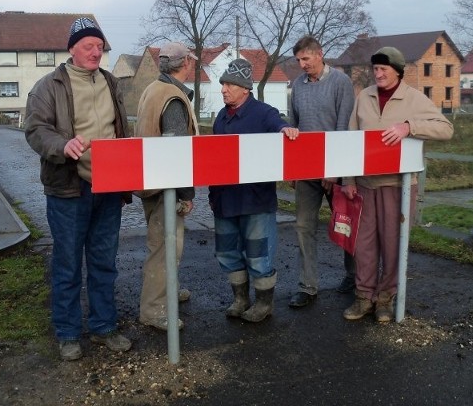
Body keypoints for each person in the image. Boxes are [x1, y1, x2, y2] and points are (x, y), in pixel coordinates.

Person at [25, 17, 132, 360]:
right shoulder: (48, 86)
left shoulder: (112, 83)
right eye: (88, 46)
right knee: (68, 264)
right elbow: (35, 130)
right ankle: (68, 332)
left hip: (109, 187)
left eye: (100, 46)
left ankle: (103, 326)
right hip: (69, 189)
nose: (96, 52)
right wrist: (62, 145)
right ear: (72, 48)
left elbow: (121, 130)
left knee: (104, 262)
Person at [341, 46, 453, 323]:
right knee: (363, 244)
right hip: (366, 184)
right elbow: (351, 138)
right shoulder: (363, 97)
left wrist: (409, 126)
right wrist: (348, 179)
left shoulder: (414, 99)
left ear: (398, 71)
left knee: (393, 243)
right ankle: (364, 296)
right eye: (375, 69)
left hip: (398, 186)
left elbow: (445, 128)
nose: (377, 74)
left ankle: (385, 298)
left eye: (383, 69)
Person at [209, 58, 299, 323]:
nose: (223, 89)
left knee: (259, 254)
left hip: (255, 199)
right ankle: (240, 298)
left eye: (229, 84)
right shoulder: (221, 118)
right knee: (227, 251)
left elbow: (279, 124)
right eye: (222, 84)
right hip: (225, 199)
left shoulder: (263, 112)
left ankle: (263, 304)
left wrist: (286, 129)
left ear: (245, 88)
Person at [287, 35, 356, 308]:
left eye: (306, 58)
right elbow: (293, 127)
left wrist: (334, 170)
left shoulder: (341, 83)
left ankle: (354, 277)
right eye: (298, 60)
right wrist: (292, 168)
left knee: (345, 226)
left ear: (320, 54)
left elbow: (344, 128)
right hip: (306, 169)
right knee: (304, 227)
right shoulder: (297, 86)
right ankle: (308, 286)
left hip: (335, 171)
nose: (302, 64)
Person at [135, 42, 199, 331]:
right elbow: (178, 152)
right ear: (185, 62)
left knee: (166, 244)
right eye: (192, 60)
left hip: (151, 180)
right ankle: (155, 309)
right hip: (166, 186)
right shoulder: (173, 97)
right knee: (165, 247)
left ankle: (168, 291)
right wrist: (186, 194)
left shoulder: (153, 89)